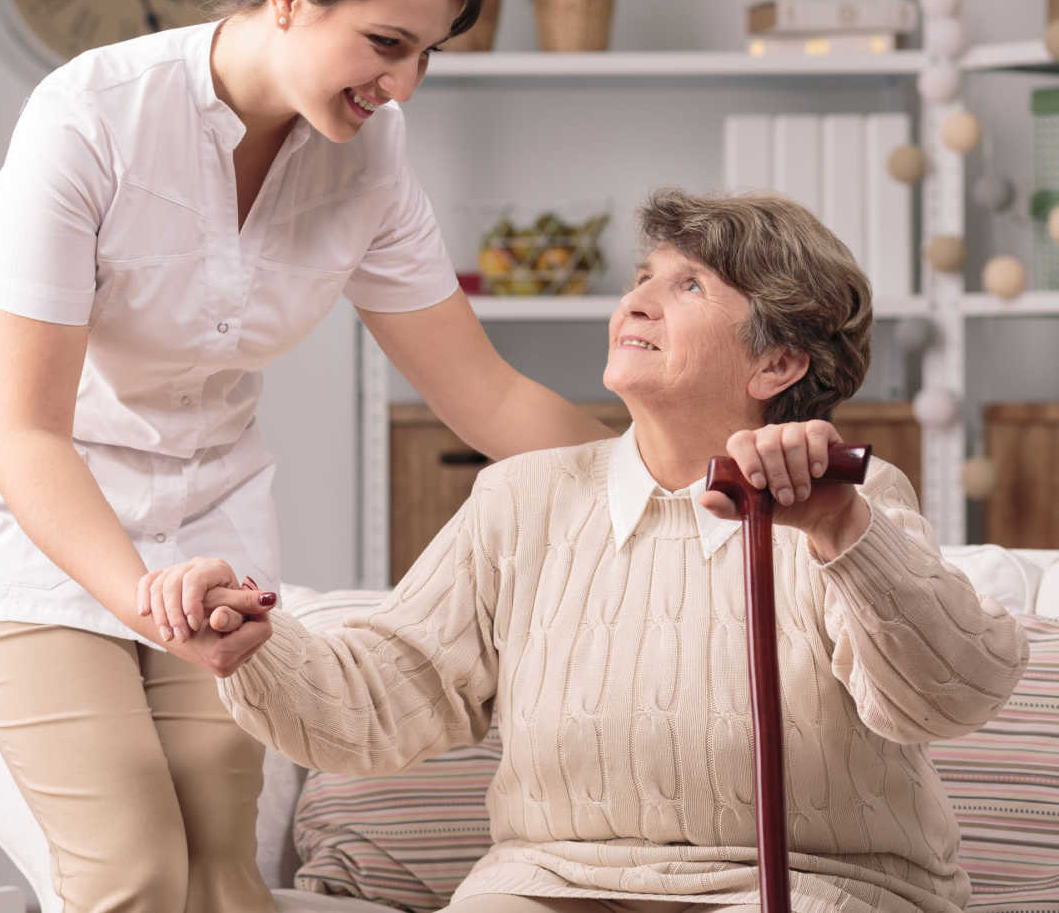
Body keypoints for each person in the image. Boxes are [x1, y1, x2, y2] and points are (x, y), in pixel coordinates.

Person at [0, 0, 611, 910]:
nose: (404, 85)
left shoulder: (369, 160)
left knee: (223, 863)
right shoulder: (90, 117)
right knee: (134, 864)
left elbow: (488, 397)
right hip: (33, 511)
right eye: (386, 44)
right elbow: (27, 430)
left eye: (428, 53)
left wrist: (681, 478)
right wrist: (140, 599)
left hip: (208, 510)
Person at [181, 189, 1030, 913]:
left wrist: (842, 532)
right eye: (641, 281)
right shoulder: (523, 499)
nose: (637, 303)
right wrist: (258, 646)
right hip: (545, 882)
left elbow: (946, 697)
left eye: (689, 285)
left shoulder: (853, 501)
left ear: (777, 361)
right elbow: (386, 693)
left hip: (813, 884)